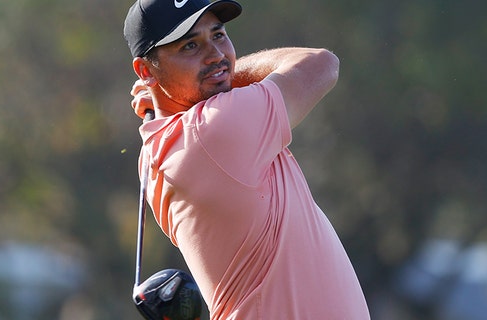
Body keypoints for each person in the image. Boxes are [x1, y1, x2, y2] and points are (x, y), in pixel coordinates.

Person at [123, 0, 371, 318]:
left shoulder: (156, 153)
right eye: (190, 46)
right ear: (146, 70)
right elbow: (321, 64)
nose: (215, 55)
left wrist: (167, 87)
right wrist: (224, 73)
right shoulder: (214, 130)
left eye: (218, 35)